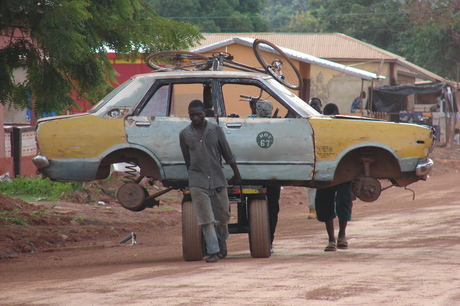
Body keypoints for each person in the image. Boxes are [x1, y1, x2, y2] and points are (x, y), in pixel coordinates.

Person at [179, 100, 241, 263]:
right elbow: (188, 160)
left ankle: (222, 241)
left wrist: (236, 174)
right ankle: (213, 251)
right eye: (192, 115)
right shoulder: (184, 134)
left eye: (198, 114)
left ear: (204, 113)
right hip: (197, 181)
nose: (195, 117)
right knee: (205, 218)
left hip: (217, 179)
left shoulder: (216, 130)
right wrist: (192, 177)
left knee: (222, 216)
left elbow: (228, 154)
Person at [315, 103, 354, 251]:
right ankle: (332, 239)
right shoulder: (320, 128)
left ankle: (341, 236)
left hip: (342, 172)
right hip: (327, 171)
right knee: (326, 204)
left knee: (343, 202)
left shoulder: (343, 128)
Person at [247, 99, 279, 252]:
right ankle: (269, 241)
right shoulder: (278, 123)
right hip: (273, 175)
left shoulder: (248, 121)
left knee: (254, 208)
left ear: (255, 109)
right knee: (272, 209)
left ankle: (262, 241)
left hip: (254, 174)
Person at [306, 97, 323, 219]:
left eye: (316, 104)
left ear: (320, 105)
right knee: (311, 184)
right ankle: (312, 208)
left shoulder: (325, 119)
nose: (314, 107)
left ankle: (323, 208)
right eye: (312, 104)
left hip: (324, 155)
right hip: (310, 155)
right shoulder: (306, 119)